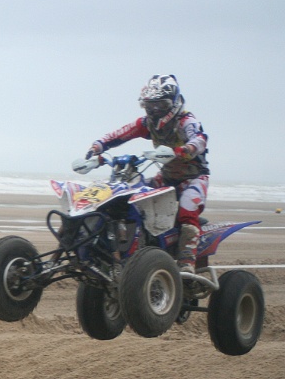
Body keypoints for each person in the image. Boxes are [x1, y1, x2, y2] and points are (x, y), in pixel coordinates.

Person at [86, 74, 210, 273]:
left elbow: (200, 140)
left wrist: (183, 150)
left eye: (159, 105)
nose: (154, 110)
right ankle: (136, 248)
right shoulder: (147, 123)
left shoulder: (186, 121)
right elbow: (121, 133)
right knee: (133, 199)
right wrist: (99, 145)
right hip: (167, 177)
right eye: (150, 105)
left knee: (187, 211)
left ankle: (187, 262)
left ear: (173, 102)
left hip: (193, 177)